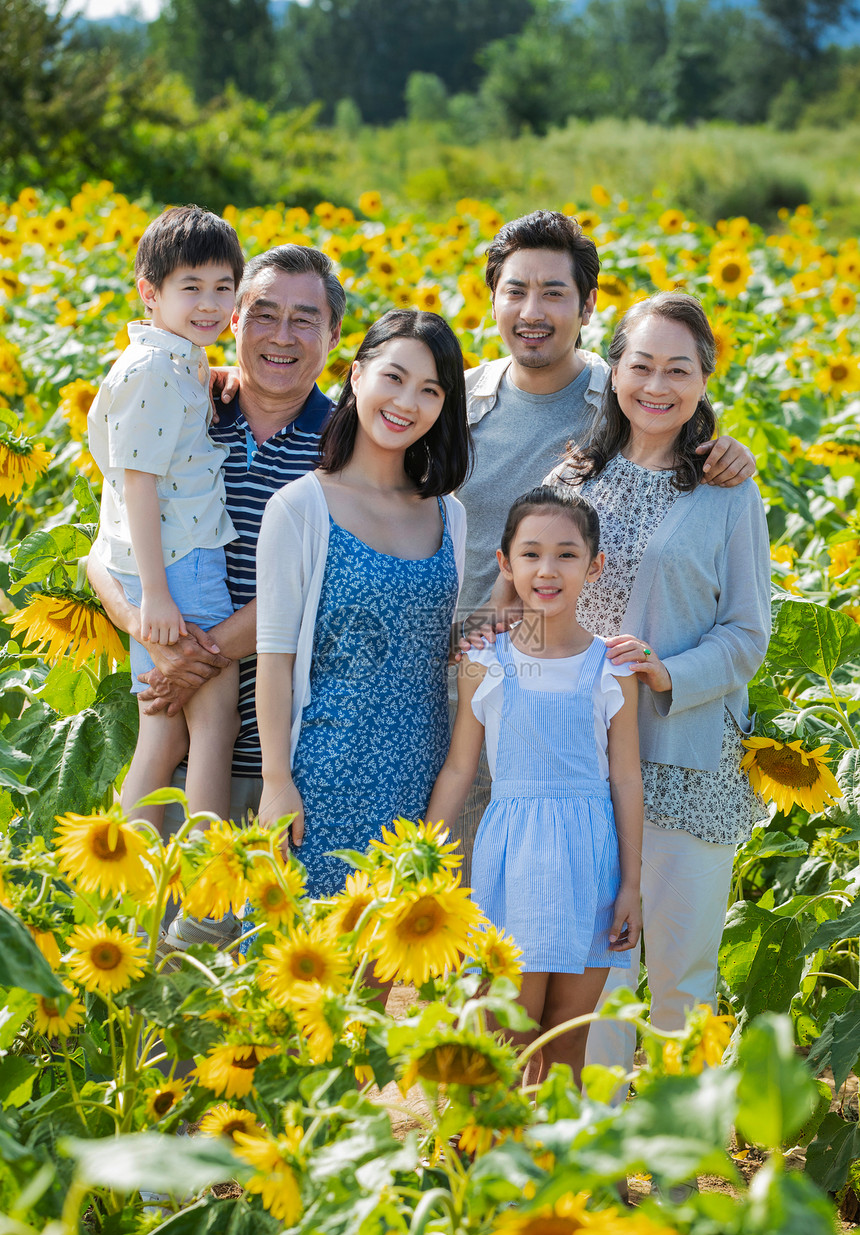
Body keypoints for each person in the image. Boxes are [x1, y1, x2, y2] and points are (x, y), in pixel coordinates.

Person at [480, 292, 771, 1092]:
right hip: (583, 776)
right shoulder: (576, 473)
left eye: (680, 369)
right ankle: (602, 1166)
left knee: (682, 983)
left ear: (705, 379)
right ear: (615, 373)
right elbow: (525, 589)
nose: (657, 385)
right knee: (601, 987)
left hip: (686, 763)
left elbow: (750, 633)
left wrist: (666, 671)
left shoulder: (726, 487)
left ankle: (681, 1175)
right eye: (640, 365)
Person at [454, 210, 757, 877]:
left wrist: (731, 451)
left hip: (580, 710)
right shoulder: (451, 400)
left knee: (576, 924)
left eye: (555, 293)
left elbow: (674, 418)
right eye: (516, 290)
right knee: (477, 905)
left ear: (588, 305)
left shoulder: (619, 398)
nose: (533, 311)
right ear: (493, 298)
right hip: (474, 672)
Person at [87, 244, 345, 949]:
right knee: (146, 987)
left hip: (277, 764)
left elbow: (319, 587)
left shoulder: (344, 446)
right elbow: (100, 550)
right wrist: (143, 625)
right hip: (167, 733)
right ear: (234, 321)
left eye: (304, 319)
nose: (281, 337)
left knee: (238, 998)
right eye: (263, 314)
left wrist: (193, 660)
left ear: (333, 336)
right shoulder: (186, 405)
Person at [252, 309, 471, 903]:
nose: (407, 402)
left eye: (430, 390)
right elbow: (273, 661)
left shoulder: (451, 514)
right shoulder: (301, 507)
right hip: (322, 776)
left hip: (418, 781)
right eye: (394, 378)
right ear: (356, 375)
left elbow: (443, 645)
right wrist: (277, 783)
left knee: (383, 976)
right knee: (301, 971)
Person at [428, 485, 642, 1086]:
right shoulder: (484, 659)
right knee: (510, 1039)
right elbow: (459, 770)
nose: (547, 570)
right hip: (511, 863)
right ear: (505, 563)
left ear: (594, 566)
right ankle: (496, 1169)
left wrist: (631, 884)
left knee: (568, 1043)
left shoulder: (613, 665)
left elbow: (626, 778)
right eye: (530, 554)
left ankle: (568, 1176)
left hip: (589, 868)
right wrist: (419, 862)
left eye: (567, 554)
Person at [87, 205, 245, 831]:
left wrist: (218, 374)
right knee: (215, 716)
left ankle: (135, 885)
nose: (210, 304)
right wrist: (154, 595)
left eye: (222, 288)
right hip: (177, 564)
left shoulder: (175, 358)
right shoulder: (154, 368)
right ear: (149, 293)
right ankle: (205, 883)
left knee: (164, 732)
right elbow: (138, 485)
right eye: (191, 288)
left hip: (167, 561)